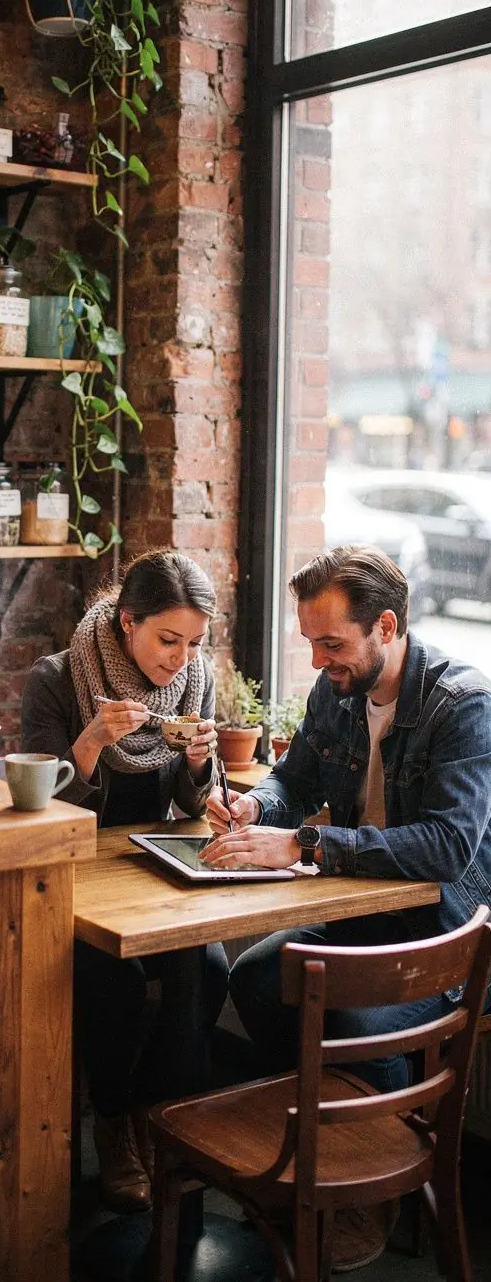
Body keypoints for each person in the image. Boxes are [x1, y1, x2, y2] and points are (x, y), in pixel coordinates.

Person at [202, 544, 491, 1271]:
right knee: (260, 979)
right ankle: (308, 1156)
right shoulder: (337, 692)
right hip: (372, 915)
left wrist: (301, 844)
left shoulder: (463, 705)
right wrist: (252, 805)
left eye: (331, 643)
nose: (319, 661)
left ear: (385, 627)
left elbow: (447, 849)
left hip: (449, 931)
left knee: (347, 1012)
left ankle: (365, 1191)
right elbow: (291, 782)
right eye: (310, 642)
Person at [21, 549, 229, 1213]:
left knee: (211, 964)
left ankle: (155, 1116)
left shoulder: (196, 683)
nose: (181, 658)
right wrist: (86, 744)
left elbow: (197, 809)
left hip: (148, 867)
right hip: (70, 872)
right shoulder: (56, 679)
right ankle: (112, 1124)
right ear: (126, 620)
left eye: (195, 642)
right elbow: (36, 812)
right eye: (168, 639)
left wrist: (200, 767)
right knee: (114, 978)